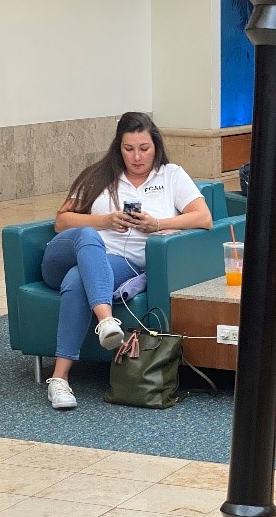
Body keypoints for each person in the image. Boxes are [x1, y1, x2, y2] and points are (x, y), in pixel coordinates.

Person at [41, 111, 212, 410]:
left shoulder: (171, 175)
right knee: (87, 237)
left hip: (119, 265)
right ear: (118, 147)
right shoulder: (100, 175)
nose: (136, 157)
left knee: (77, 280)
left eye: (144, 148)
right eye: (128, 149)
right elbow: (61, 221)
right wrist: (106, 220)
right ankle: (106, 320)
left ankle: (59, 379)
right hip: (64, 254)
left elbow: (204, 218)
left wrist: (156, 224)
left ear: (155, 145)